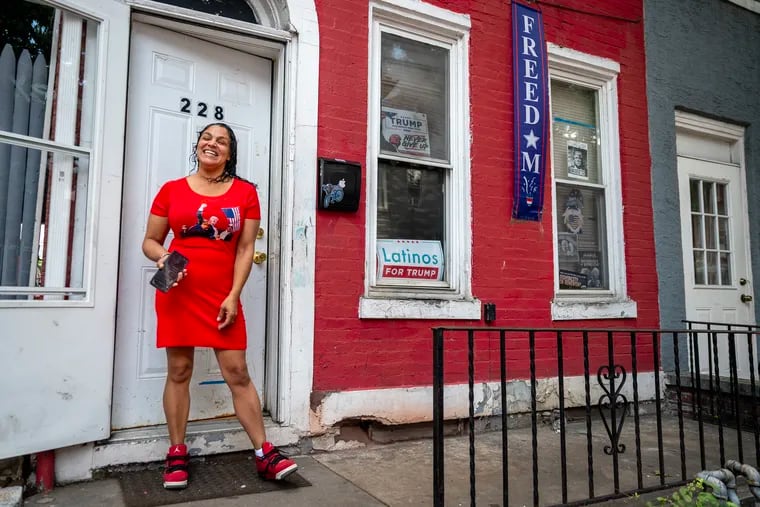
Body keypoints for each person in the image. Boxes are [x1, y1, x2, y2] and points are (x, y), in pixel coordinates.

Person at [142, 123, 297, 490]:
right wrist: (164, 256)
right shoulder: (171, 190)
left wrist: (234, 294)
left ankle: (264, 454)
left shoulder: (245, 193)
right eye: (207, 138)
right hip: (176, 288)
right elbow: (150, 240)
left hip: (220, 295)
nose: (212, 144)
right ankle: (177, 452)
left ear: (230, 153)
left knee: (238, 373)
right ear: (197, 145)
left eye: (221, 141)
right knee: (179, 370)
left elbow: (245, 249)